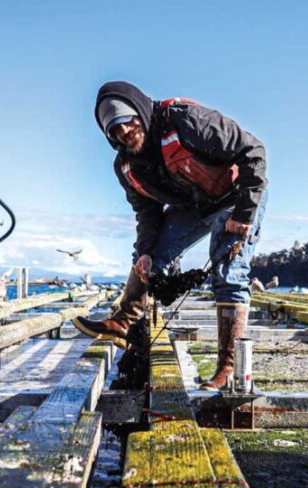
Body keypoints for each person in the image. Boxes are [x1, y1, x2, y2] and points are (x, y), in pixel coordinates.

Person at [72, 81, 268, 390]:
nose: (124, 132)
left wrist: (244, 213)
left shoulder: (184, 120)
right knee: (149, 261)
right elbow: (147, 214)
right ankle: (122, 323)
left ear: (139, 111)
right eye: (114, 130)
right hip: (193, 205)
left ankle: (228, 368)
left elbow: (253, 152)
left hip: (235, 195)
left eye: (126, 121)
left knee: (230, 272)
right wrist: (147, 251)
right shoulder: (126, 166)